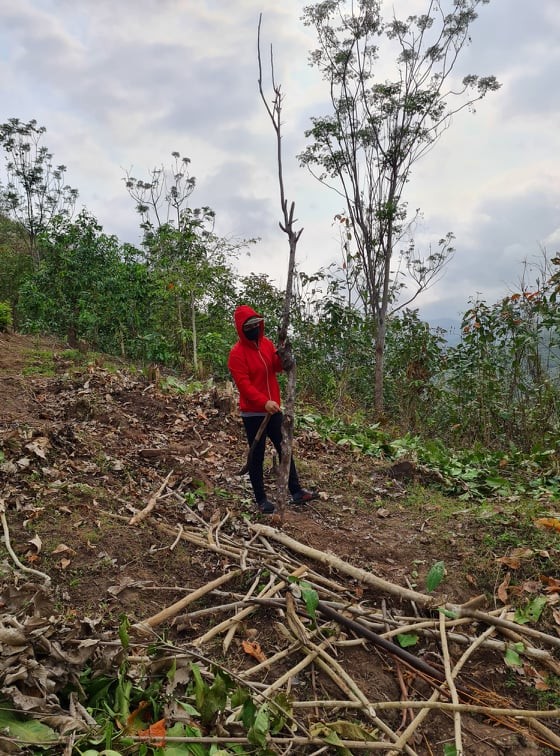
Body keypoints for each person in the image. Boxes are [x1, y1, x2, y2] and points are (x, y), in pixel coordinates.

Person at [228, 304, 318, 514]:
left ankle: (296, 491)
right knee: (256, 455)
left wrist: (283, 357)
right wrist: (263, 402)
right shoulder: (237, 354)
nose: (253, 329)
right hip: (254, 413)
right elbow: (244, 386)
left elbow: (276, 367)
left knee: (284, 447)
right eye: (248, 326)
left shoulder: (267, 344)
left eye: (256, 325)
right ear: (241, 329)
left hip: (274, 409)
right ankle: (261, 499)